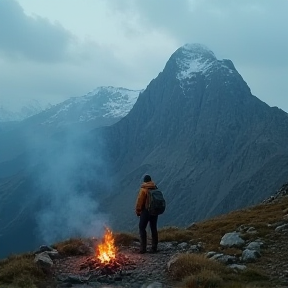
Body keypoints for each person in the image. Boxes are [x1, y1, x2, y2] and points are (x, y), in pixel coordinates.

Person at [135, 174, 158, 254]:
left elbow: (140, 201)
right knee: (153, 228)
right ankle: (154, 247)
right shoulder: (155, 187)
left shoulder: (144, 189)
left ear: (144, 181)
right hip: (155, 211)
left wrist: (138, 211)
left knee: (142, 228)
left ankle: (143, 249)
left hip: (146, 211)